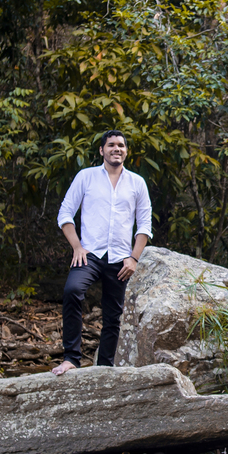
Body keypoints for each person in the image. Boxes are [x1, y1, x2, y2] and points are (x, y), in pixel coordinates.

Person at [51, 130, 152, 376]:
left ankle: (104, 368)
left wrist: (134, 258)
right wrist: (77, 247)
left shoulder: (137, 183)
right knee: (72, 290)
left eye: (121, 145)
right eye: (111, 145)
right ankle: (71, 358)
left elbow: (145, 225)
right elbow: (65, 214)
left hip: (121, 258)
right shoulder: (86, 177)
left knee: (113, 316)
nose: (116, 149)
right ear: (102, 150)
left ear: (126, 151)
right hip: (89, 254)